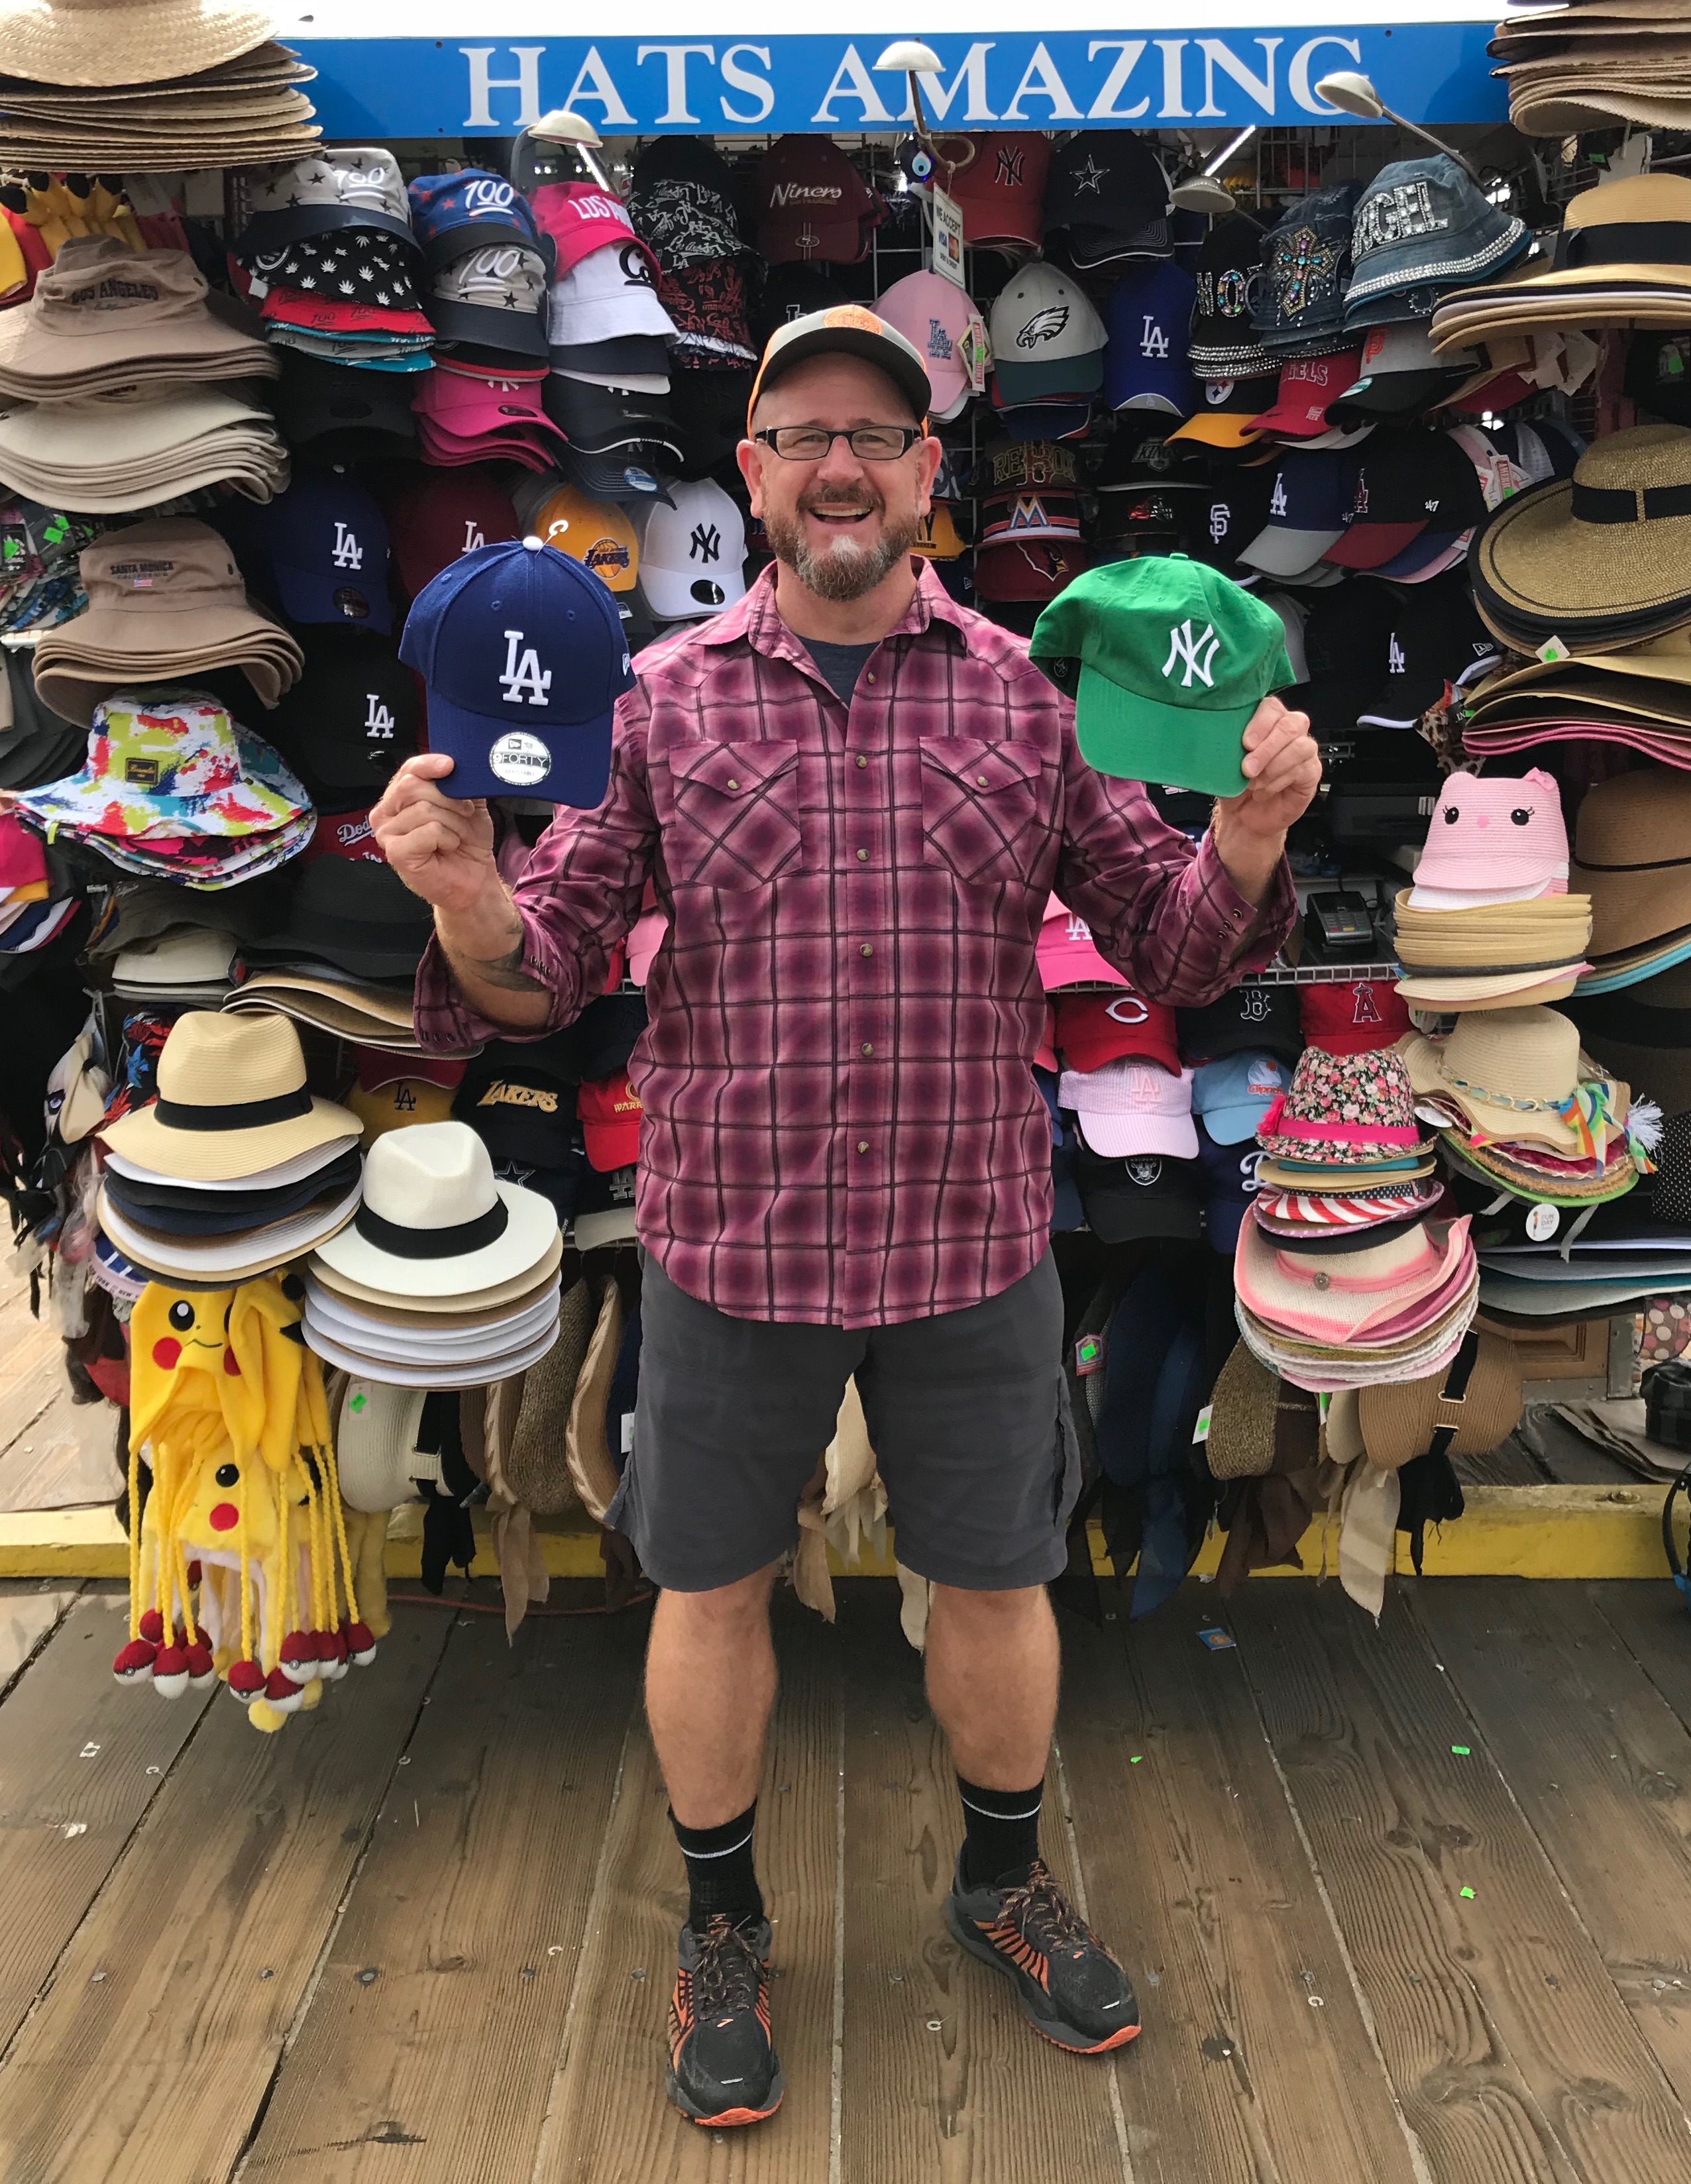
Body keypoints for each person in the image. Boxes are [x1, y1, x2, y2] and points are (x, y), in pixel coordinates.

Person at [372, 303, 1320, 2130]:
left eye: (875, 435)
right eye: (802, 433)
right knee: (710, 1585)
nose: (839, 466)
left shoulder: (1028, 698)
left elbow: (1172, 945)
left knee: (1001, 1579)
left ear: (925, 472)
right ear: (751, 473)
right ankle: (720, 1926)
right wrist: (471, 902)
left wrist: (1253, 840)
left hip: (973, 1241)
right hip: (736, 1242)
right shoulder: (657, 707)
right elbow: (542, 979)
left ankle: (1001, 1882)